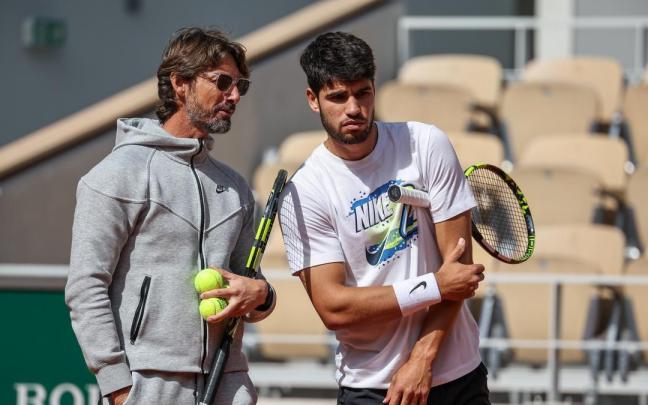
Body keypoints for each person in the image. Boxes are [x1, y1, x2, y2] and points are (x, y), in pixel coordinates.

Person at [65, 27, 276, 405]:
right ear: (180, 83)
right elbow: (85, 288)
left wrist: (262, 295)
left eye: (240, 85)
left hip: (227, 383)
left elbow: (248, 283)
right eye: (222, 82)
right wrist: (118, 387)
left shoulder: (237, 188)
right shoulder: (117, 174)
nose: (233, 96)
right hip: (146, 385)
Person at [278, 32, 489, 405]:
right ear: (313, 100)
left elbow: (457, 273)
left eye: (363, 92)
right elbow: (334, 307)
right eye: (338, 97)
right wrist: (432, 286)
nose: (354, 108)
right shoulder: (305, 191)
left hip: (457, 376)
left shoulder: (426, 144)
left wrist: (422, 358)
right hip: (371, 387)